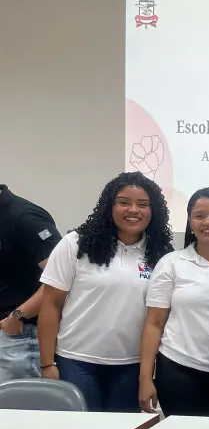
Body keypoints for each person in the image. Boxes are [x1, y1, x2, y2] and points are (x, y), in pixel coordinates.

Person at [38, 172, 173, 412]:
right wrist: (47, 363)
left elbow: (158, 317)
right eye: (124, 202)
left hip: (131, 365)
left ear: (154, 211)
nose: (134, 210)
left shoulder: (160, 253)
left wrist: (147, 374)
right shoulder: (76, 244)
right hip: (76, 361)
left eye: (143, 204)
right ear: (108, 207)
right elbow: (50, 304)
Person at [139, 188, 209, 417]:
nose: (208, 222)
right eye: (199, 215)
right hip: (178, 370)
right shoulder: (172, 263)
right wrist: (145, 378)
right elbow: (154, 323)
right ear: (190, 221)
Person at [0, 185, 62, 382]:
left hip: (18, 339)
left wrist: (17, 316)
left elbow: (60, 279)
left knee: (17, 410)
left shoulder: (24, 217)